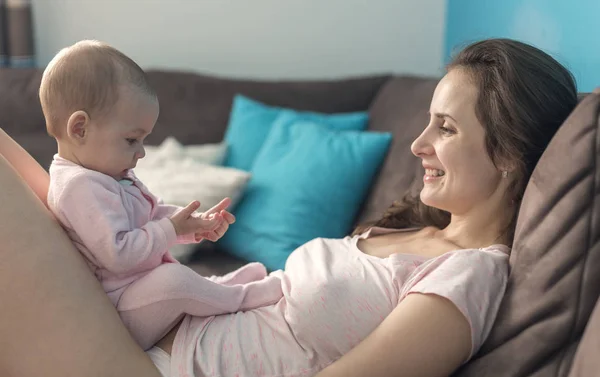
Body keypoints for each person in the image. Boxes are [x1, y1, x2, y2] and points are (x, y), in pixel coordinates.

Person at [0, 38, 578, 377]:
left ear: (507, 153)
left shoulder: (468, 273)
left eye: (445, 128)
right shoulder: (416, 232)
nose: (418, 144)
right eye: (425, 122)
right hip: (149, 335)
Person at [39, 40, 283, 351]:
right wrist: (170, 230)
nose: (141, 153)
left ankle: (215, 287)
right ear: (80, 129)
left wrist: (192, 224)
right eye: (131, 140)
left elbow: (146, 219)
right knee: (173, 283)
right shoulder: (77, 187)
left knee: (173, 279)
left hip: (137, 291)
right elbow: (120, 255)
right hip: (121, 313)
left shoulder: (104, 173)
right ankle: (242, 298)